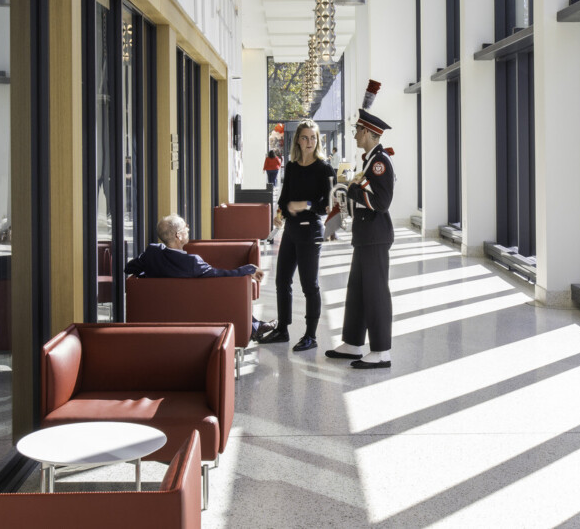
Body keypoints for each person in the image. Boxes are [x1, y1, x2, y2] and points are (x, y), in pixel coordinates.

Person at [125, 214, 276, 339]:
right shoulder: (192, 262)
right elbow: (222, 275)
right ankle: (253, 326)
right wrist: (249, 268)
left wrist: (149, 275)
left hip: (161, 312)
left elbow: (130, 267)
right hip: (195, 309)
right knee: (221, 291)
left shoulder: (152, 252)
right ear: (178, 235)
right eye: (185, 227)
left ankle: (255, 325)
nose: (188, 229)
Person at [326, 108, 396, 369]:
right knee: (357, 290)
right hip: (366, 234)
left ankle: (381, 351)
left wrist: (353, 188)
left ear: (368, 132)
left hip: (375, 234)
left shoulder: (380, 162)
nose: (355, 134)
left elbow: (382, 201)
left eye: (358, 130)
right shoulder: (370, 159)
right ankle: (353, 343)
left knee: (376, 293)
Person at [257, 120, 334, 351]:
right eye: (305, 137)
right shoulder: (290, 166)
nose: (309, 142)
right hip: (290, 229)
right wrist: (279, 213)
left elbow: (327, 205)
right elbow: (284, 197)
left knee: (310, 284)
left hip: (311, 230)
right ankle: (282, 329)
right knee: (282, 280)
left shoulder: (325, 168)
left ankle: (311, 336)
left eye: (313, 137)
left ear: (318, 140)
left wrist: (306, 204)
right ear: (297, 140)